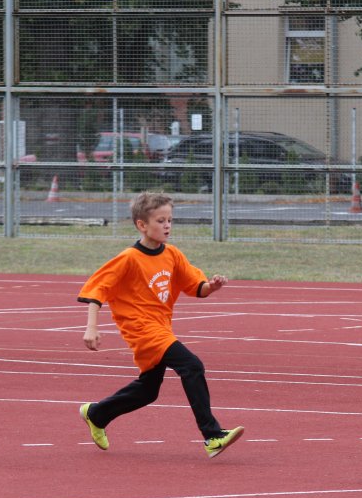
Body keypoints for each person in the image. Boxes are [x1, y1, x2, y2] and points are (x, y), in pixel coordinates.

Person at [77, 192, 244, 458]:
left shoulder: (172, 255)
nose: (167, 225)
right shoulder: (129, 258)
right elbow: (97, 290)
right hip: (141, 329)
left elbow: (195, 286)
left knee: (148, 390)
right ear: (142, 225)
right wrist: (91, 327)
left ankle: (97, 414)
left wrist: (211, 287)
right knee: (192, 365)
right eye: (160, 220)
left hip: (161, 327)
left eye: (170, 220)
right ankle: (213, 436)